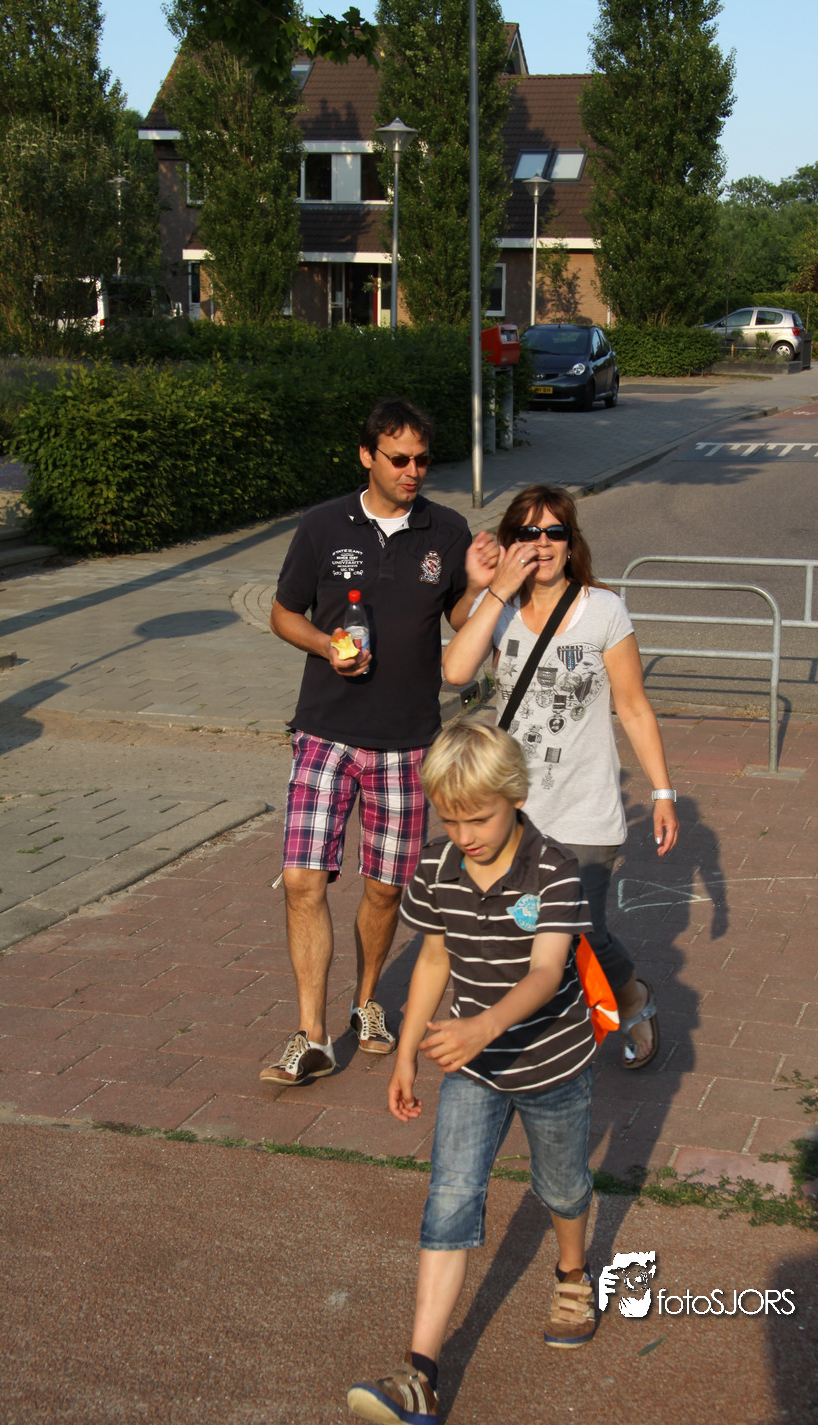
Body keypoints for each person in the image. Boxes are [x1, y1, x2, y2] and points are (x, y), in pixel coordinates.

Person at [347, 721, 599, 1425]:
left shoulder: (554, 869)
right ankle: (420, 1373)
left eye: (479, 818)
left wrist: (486, 1024)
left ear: (516, 797)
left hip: (551, 1062)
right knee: (450, 1198)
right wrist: (406, 1050)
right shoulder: (437, 865)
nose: (465, 836)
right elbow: (434, 957)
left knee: (562, 1185)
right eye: (450, 820)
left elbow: (547, 971)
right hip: (473, 1067)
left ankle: (572, 1273)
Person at [260, 397, 498, 1086]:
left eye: (422, 459)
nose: (412, 471)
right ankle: (311, 1033)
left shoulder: (445, 530)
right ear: (367, 456)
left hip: (407, 741)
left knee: (386, 889)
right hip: (325, 732)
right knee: (302, 880)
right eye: (399, 459)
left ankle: (366, 1002)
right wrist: (325, 645)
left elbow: (459, 620)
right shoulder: (321, 525)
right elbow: (283, 613)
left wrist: (482, 588)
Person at [440, 484, 679, 1070]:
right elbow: (456, 671)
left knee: (578, 930)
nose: (541, 544)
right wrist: (495, 588)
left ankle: (631, 996)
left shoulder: (603, 610)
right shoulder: (500, 608)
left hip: (585, 807)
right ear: (510, 542)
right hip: (515, 810)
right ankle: (537, 1033)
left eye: (554, 532)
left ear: (571, 543)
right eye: (528, 532)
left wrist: (662, 791)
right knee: (520, 927)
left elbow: (633, 707)